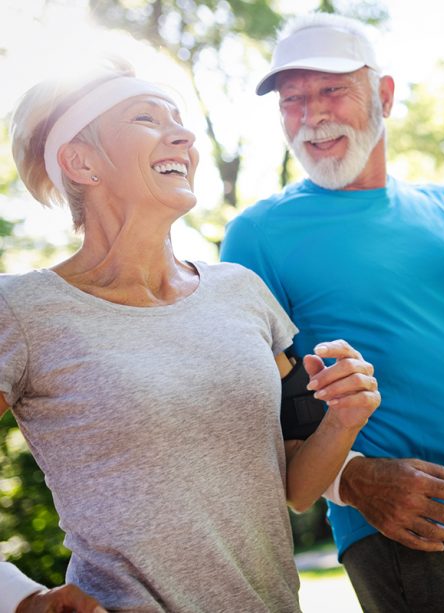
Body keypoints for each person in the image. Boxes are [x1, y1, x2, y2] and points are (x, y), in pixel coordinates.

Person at [220, 13, 444, 612]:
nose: (311, 114)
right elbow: (254, 411)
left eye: (332, 90)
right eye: (293, 100)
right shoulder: (257, 235)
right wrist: (358, 481)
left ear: (384, 96)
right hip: (403, 524)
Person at [0, 58, 380, 613]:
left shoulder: (242, 292)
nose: (183, 134)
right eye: (145, 118)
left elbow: (296, 488)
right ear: (81, 162)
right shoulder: (22, 310)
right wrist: (21, 598)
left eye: (178, 119)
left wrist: (344, 419)